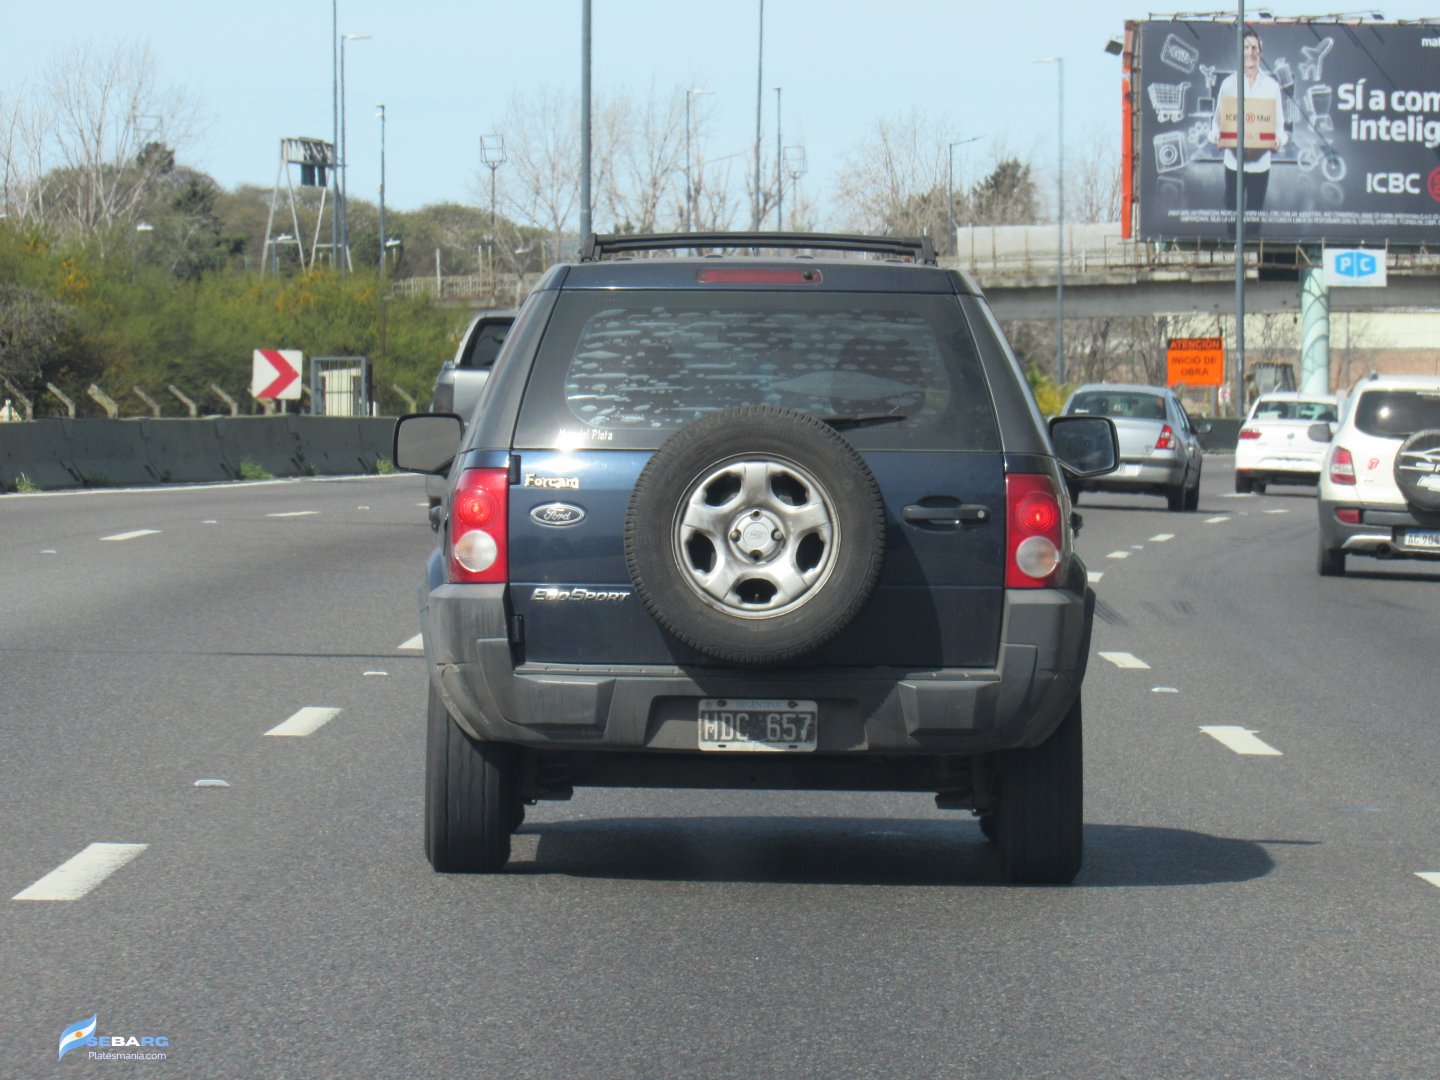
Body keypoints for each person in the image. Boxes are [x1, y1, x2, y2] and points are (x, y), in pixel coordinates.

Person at [1210, 27, 1288, 225]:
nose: (1250, 52)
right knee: (1231, 216)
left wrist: (1278, 141)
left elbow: (1280, 128)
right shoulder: (1228, 84)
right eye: (1246, 47)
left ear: (1260, 52)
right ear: (1240, 51)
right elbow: (1216, 123)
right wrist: (1217, 137)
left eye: (1254, 48)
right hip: (1233, 164)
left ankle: (1253, 245)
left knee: (1255, 218)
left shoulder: (1271, 86)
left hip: (1260, 166)